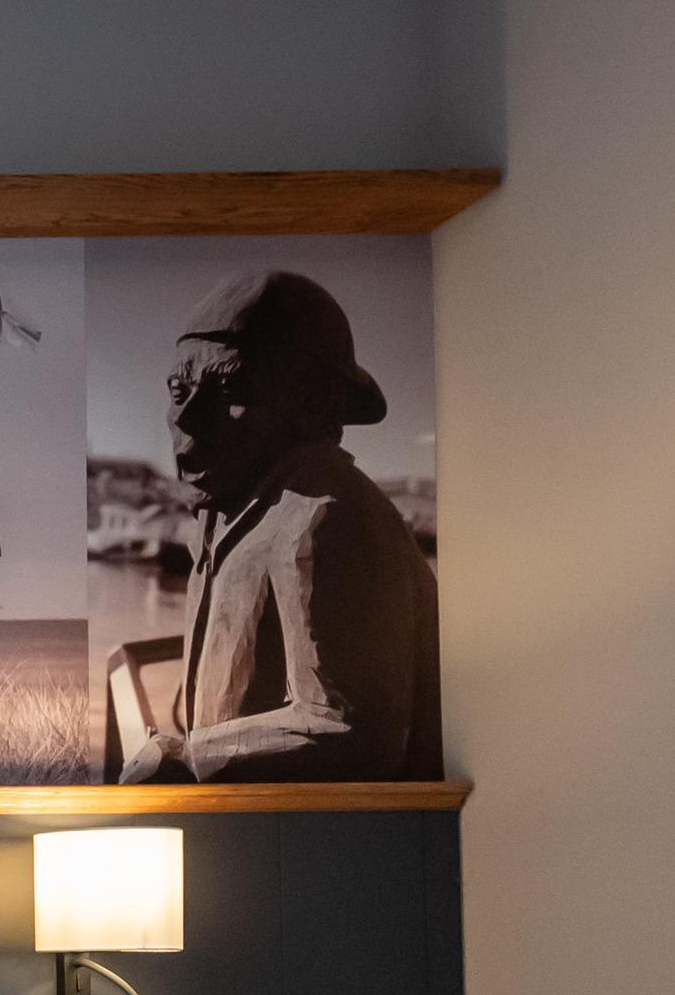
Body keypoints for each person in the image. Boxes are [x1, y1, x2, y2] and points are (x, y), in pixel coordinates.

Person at [115, 269, 441, 784]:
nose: (187, 417)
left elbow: (356, 731)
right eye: (179, 390)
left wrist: (189, 757)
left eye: (230, 389)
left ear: (311, 403)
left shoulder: (325, 516)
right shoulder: (225, 515)